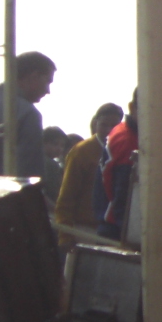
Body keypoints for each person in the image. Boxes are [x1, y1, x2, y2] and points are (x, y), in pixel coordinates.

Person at [56, 103, 122, 245]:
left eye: (114, 126)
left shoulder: (124, 150)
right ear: (95, 123)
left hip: (115, 230)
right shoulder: (82, 152)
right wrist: (65, 234)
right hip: (84, 229)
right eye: (104, 125)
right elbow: (67, 196)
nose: (108, 130)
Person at [0, 51, 57, 177]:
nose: (48, 91)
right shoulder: (27, 114)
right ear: (34, 76)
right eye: (48, 81)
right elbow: (30, 174)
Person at [99, 89, 138, 242]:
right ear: (133, 108)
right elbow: (124, 198)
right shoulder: (128, 141)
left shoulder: (121, 130)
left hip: (109, 223)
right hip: (119, 230)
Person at [40, 126, 68, 202]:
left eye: (62, 145)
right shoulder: (50, 164)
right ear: (43, 143)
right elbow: (54, 193)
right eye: (55, 144)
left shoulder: (34, 160)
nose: (59, 149)